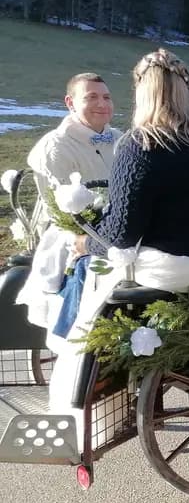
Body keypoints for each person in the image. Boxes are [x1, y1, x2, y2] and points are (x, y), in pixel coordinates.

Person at [48, 48, 189, 447]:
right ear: (187, 90)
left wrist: (85, 241)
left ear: (142, 92)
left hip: (175, 268)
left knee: (84, 268)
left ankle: (73, 360)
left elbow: (120, 235)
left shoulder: (140, 145)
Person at [16, 74, 122, 344]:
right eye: (91, 97)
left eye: (106, 97)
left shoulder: (120, 139)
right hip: (71, 233)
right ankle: (75, 337)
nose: (102, 104)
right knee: (90, 264)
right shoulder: (56, 146)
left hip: (117, 229)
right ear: (70, 103)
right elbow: (62, 212)